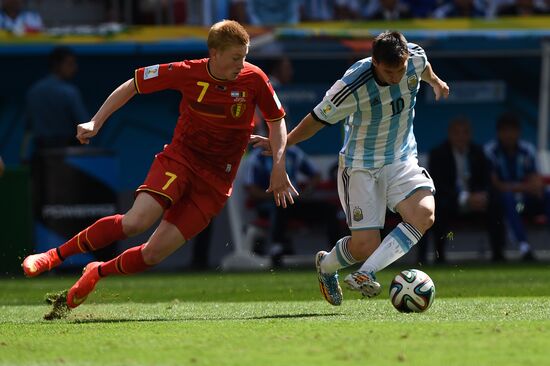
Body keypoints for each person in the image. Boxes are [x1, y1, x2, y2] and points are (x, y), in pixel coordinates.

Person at [21, 20, 297, 308]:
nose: (242, 64)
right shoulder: (187, 71)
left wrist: (279, 166)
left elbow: (276, 121)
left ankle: (97, 272)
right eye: (235, 58)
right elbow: (133, 85)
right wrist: (96, 120)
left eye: (245, 56)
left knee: (152, 255)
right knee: (135, 222)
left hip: (216, 182)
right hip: (180, 159)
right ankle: (53, 256)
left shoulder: (254, 79)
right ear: (214, 54)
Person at [252, 30, 449, 305]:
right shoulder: (352, 85)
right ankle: (327, 266)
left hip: (400, 159)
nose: (396, 77)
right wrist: (280, 146)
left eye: (401, 69)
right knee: (365, 246)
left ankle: (365, 273)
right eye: (390, 72)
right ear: (375, 62)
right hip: (360, 167)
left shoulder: (413, 58)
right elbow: (315, 121)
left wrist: (436, 81)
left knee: (425, 214)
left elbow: (423, 67)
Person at [419, 116, 506, 263]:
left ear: (470, 134)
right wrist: (464, 198)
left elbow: (486, 180)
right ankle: (439, 256)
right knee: (435, 208)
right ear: (450, 134)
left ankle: (498, 254)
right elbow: (437, 185)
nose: (461, 136)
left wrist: (481, 195)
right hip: (452, 201)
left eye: (464, 132)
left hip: (476, 201)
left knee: (497, 204)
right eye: (457, 133)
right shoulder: (438, 153)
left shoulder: (478, 152)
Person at [244, 145, 341, 264]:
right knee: (281, 204)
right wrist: (276, 195)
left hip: (293, 202)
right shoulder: (257, 157)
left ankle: (337, 252)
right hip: (268, 203)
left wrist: (306, 191)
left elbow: (316, 175)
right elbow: (252, 190)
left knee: (329, 209)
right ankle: (277, 247)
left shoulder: (293, 152)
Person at [484, 112, 550, 261]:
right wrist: (525, 187)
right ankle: (524, 246)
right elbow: (497, 185)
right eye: (505, 131)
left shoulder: (527, 150)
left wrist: (533, 187)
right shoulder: (490, 151)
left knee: (547, 194)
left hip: (525, 201)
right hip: (504, 202)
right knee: (507, 198)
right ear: (499, 133)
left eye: (512, 130)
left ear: (518, 132)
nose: (509, 135)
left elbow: (536, 180)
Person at [24, 46, 88, 153]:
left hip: (41, 152)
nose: (74, 68)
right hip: (67, 152)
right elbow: (83, 123)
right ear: (56, 65)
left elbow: (28, 125)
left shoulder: (34, 90)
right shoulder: (69, 92)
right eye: (69, 64)